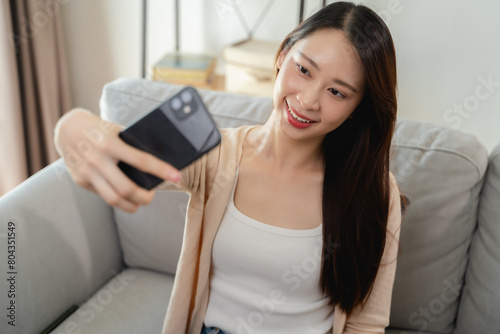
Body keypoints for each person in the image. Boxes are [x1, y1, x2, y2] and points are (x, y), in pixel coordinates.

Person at [54, 2, 402, 333]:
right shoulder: (216, 156)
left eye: (337, 93)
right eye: (304, 69)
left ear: (357, 107)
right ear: (282, 55)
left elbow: (366, 324)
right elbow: (123, 151)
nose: (309, 100)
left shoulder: (376, 192)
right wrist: (72, 127)